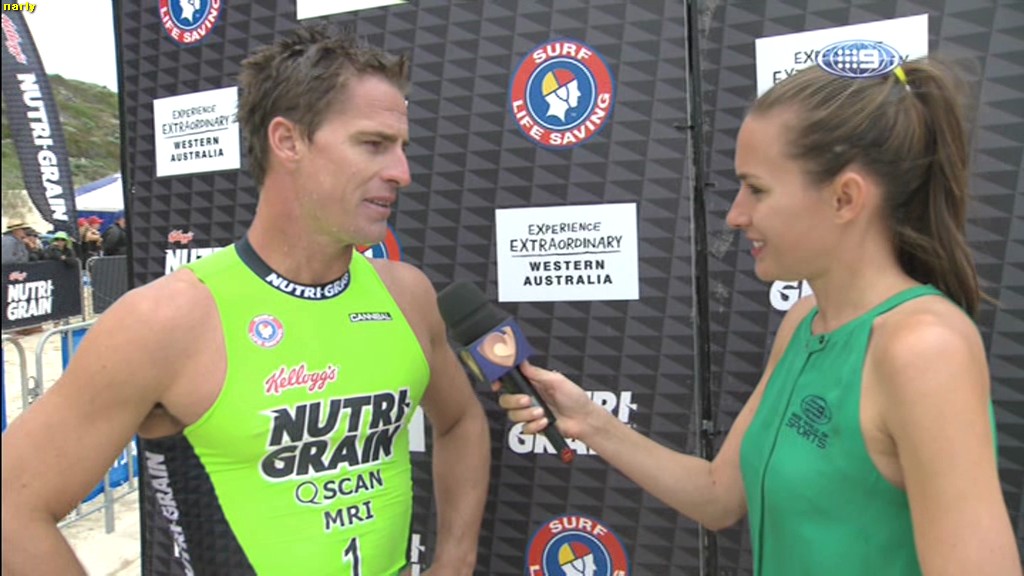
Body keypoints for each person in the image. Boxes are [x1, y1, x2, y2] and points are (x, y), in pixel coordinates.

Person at [497, 58, 1022, 575]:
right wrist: (589, 421)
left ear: (845, 198)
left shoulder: (924, 349)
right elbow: (718, 496)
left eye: (758, 189)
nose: (735, 214)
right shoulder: (804, 321)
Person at [1, 26, 490, 576]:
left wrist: (455, 558)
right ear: (288, 141)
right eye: (373, 144)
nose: (402, 172)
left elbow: (460, 422)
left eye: (401, 147)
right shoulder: (166, 319)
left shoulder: (406, 294)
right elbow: (12, 508)